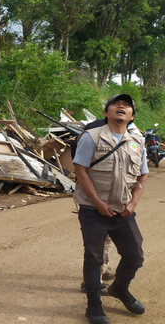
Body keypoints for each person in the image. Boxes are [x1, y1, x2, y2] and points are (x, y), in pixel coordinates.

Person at [72, 94, 148, 324]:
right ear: (106, 113)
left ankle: (119, 289)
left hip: (123, 211)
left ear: (132, 116)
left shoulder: (137, 142)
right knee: (94, 258)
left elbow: (143, 175)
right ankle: (93, 305)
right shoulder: (91, 137)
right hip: (93, 210)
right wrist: (97, 202)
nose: (121, 107)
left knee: (135, 256)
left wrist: (133, 203)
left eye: (127, 106)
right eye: (116, 104)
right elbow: (80, 170)